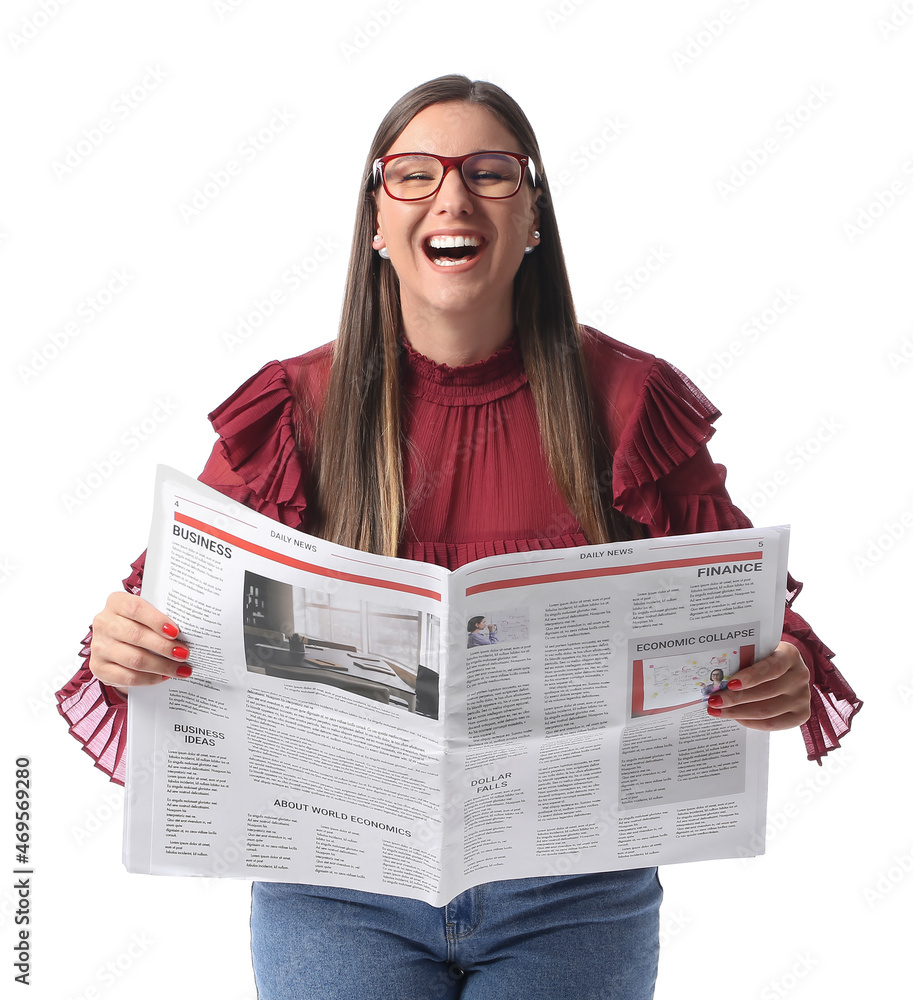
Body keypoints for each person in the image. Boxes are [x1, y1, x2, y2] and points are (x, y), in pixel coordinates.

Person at [56, 75, 861, 999]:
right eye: (413, 174)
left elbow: (750, 616)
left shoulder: (628, 404)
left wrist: (780, 670)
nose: (451, 197)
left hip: (576, 889)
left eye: (489, 172)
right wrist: (124, 645)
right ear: (373, 220)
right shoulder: (291, 412)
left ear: (532, 218)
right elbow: (160, 620)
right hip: (336, 887)